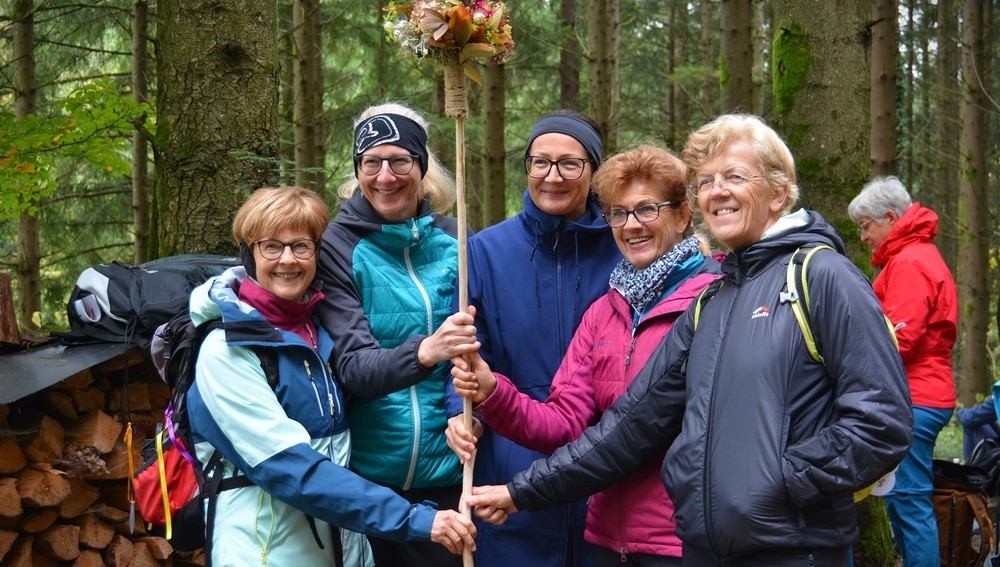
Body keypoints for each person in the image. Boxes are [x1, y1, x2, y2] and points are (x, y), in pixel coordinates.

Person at [465, 114, 914, 567]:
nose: (717, 190)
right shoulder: (714, 299)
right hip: (703, 546)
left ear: (778, 192)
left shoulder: (821, 275)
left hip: (793, 547)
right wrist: (521, 489)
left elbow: (881, 423)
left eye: (735, 177)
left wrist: (774, 484)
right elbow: (630, 427)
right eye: (707, 181)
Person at [448, 144, 722, 566]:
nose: (632, 226)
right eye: (618, 213)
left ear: (683, 215)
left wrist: (522, 492)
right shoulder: (606, 313)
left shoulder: (714, 298)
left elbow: (646, 431)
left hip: (686, 540)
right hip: (611, 542)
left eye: (647, 209)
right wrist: (492, 393)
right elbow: (563, 424)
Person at [184, 186, 476, 566]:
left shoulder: (317, 334)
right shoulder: (227, 350)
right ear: (248, 252)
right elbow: (293, 469)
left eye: (301, 246)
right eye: (271, 246)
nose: (287, 260)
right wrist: (413, 518)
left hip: (337, 549)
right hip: (263, 552)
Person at [444, 110, 622, 567]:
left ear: (593, 170)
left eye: (569, 163)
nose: (552, 177)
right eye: (539, 162)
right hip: (510, 473)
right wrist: (461, 416)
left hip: (606, 472)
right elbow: (465, 353)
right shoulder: (484, 250)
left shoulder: (624, 247)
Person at [315, 103, 480, 567]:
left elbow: (480, 345)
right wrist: (428, 350)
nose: (385, 176)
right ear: (358, 170)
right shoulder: (337, 246)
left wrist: (471, 410)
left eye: (400, 161)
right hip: (370, 484)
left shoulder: (457, 239)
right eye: (372, 163)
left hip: (452, 473)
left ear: (422, 166)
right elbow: (353, 369)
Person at [848, 176, 957, 567]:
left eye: (865, 226)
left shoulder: (911, 262)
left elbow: (899, 339)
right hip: (919, 393)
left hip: (917, 395)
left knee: (909, 500)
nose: (863, 237)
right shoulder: (914, 257)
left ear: (890, 217)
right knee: (901, 497)